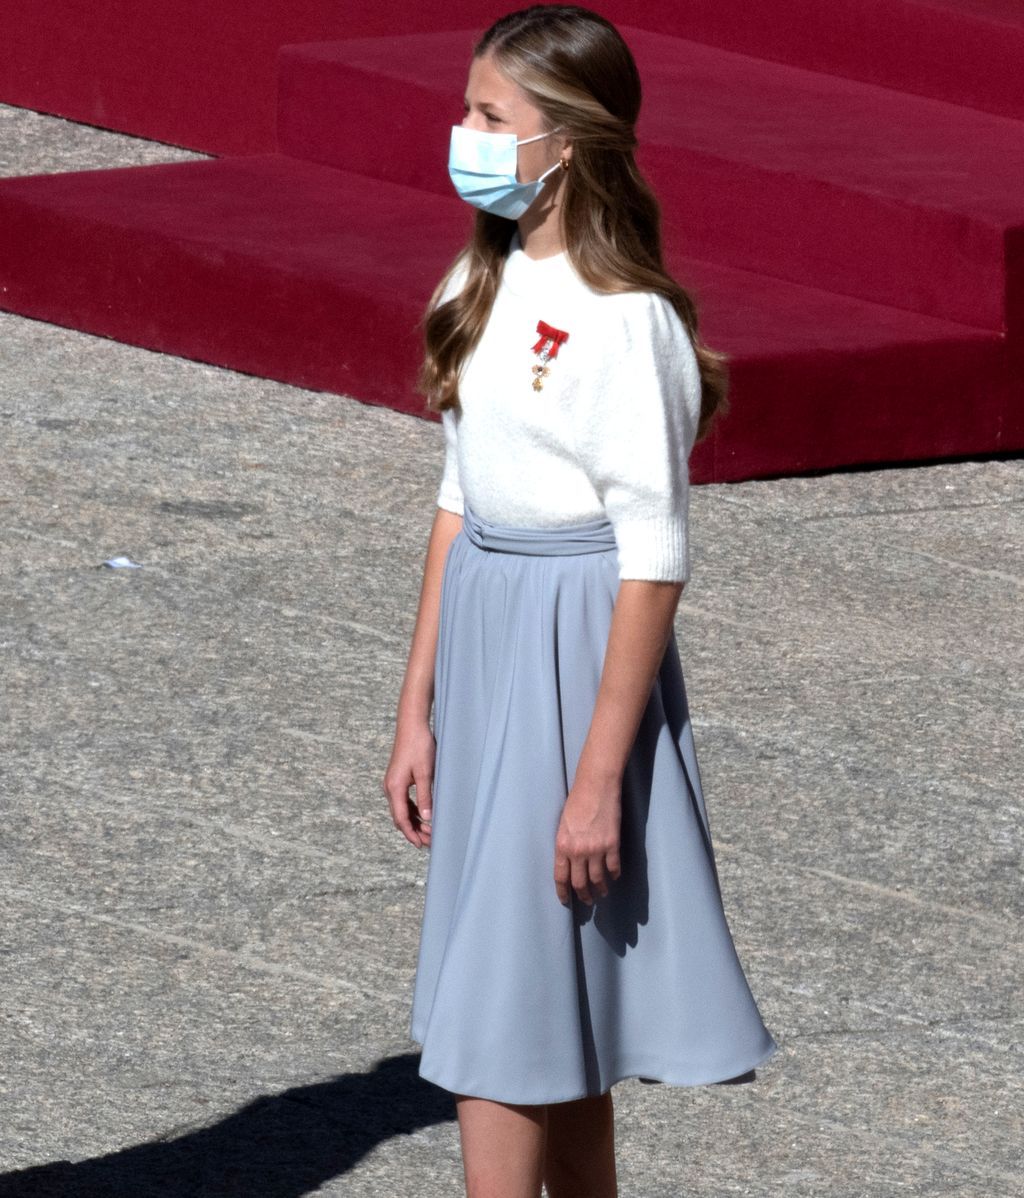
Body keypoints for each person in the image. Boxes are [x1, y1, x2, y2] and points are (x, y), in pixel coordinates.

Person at [382, 7, 780, 1195]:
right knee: (551, 998)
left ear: (569, 141)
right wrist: (419, 705)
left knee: (501, 1010)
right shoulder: (479, 274)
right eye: (468, 110)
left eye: (491, 117)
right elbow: (458, 498)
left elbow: (652, 557)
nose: (465, 134)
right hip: (490, 633)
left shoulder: (626, 322)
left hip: (572, 651)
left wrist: (599, 778)